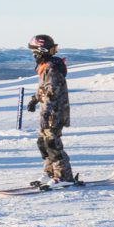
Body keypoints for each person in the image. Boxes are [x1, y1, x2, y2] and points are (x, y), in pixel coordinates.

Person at [25, 34, 78, 187]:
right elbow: (44, 88)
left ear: (40, 50)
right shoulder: (45, 66)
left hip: (55, 112)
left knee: (53, 144)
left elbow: (51, 92)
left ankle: (64, 177)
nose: (33, 55)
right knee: (43, 143)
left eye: (33, 51)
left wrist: (47, 112)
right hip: (48, 111)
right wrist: (34, 99)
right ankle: (50, 173)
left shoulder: (51, 68)